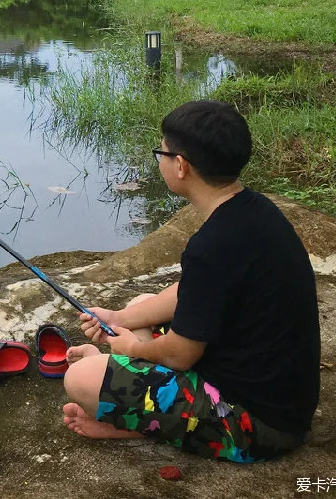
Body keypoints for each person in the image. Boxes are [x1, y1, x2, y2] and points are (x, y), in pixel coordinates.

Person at [61, 100, 320, 462]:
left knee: (81, 379)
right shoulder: (255, 211)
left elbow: (182, 354)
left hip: (255, 427)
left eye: (162, 153)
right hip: (278, 400)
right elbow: (192, 293)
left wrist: (130, 350)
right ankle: (135, 409)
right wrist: (119, 318)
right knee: (140, 309)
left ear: (181, 166)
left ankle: (134, 419)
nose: (161, 160)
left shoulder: (211, 246)